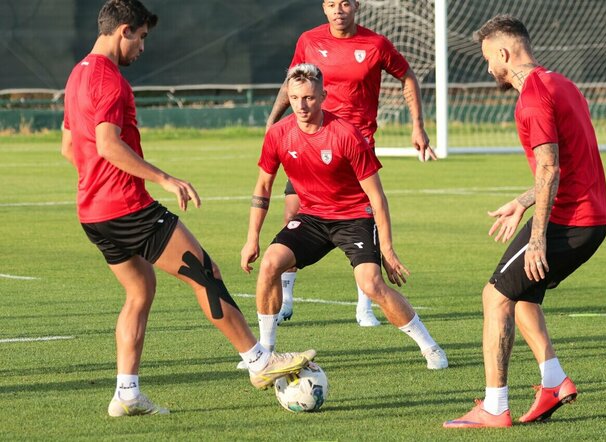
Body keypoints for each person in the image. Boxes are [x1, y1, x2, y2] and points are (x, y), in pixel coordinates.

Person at [60, 0, 315, 417]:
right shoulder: (109, 79)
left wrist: (97, 182)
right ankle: (259, 361)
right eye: (141, 37)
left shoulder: (77, 74)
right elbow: (107, 143)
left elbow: (70, 147)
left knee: (139, 291)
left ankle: (126, 393)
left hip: (93, 213)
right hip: (126, 208)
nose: (142, 47)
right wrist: (165, 178)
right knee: (205, 272)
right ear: (124, 30)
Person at [443, 15, 606, 428]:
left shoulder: (532, 95)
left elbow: (550, 169)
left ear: (504, 53)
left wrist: (536, 238)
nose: (488, 69)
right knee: (522, 298)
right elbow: (564, 165)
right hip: (589, 217)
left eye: (488, 60)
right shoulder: (561, 83)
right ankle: (554, 382)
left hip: (569, 220)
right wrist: (523, 201)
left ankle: (495, 406)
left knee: (495, 296)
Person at [240, 63, 447, 371]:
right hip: (311, 218)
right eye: (295, 98)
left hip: (354, 217)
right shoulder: (279, 134)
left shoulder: (346, 134)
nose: (301, 105)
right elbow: (263, 187)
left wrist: (387, 250)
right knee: (270, 263)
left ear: (323, 95)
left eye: (309, 97)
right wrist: (251, 239)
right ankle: (265, 354)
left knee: (371, 284)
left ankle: (430, 347)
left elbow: (377, 198)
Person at [267, 0, 436, 328]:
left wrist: (418, 124)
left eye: (344, 3)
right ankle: (286, 298)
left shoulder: (375, 45)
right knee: (292, 215)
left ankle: (365, 306)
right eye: (331, 4)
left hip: (355, 147)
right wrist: (273, 121)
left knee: (361, 220)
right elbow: (293, 84)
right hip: (311, 143)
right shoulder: (309, 41)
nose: (338, 10)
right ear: (324, 8)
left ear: (356, 6)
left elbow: (407, 76)